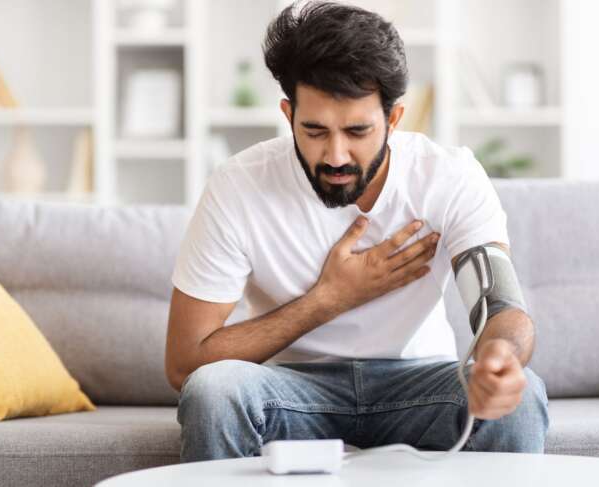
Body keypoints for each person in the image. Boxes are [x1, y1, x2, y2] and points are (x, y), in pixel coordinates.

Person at [166, 1, 549, 462]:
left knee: (523, 398)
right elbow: (185, 362)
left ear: (393, 119)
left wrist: (500, 359)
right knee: (213, 390)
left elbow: (502, 307)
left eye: (357, 130)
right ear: (288, 115)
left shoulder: (447, 176)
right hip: (291, 390)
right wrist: (329, 299)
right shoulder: (239, 185)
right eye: (314, 130)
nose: (336, 155)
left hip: (419, 384)